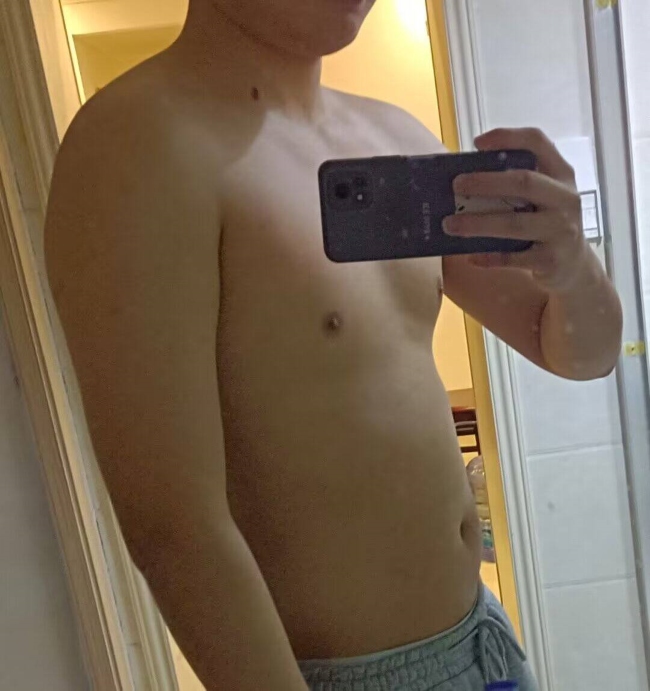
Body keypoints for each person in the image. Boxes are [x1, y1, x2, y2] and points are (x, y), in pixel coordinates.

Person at [43, 1, 622, 689]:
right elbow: (175, 530)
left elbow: (581, 354)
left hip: (485, 641)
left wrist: (572, 266)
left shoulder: (390, 134)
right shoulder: (139, 143)